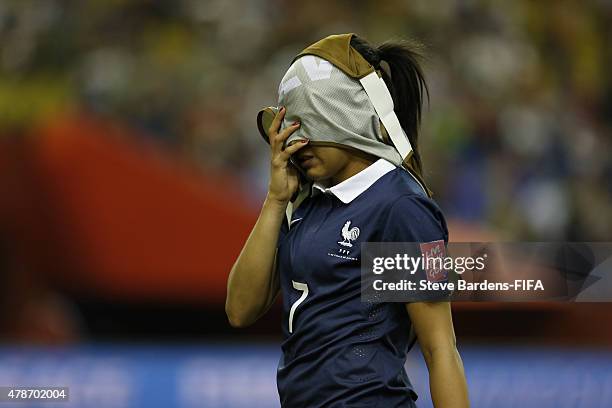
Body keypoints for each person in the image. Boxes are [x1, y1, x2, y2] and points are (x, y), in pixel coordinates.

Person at [226, 33, 469, 407]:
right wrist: (275, 200)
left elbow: (440, 348)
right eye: (291, 133)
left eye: (307, 129)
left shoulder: (401, 206)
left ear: (341, 116)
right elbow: (240, 310)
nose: (297, 146)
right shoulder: (306, 202)